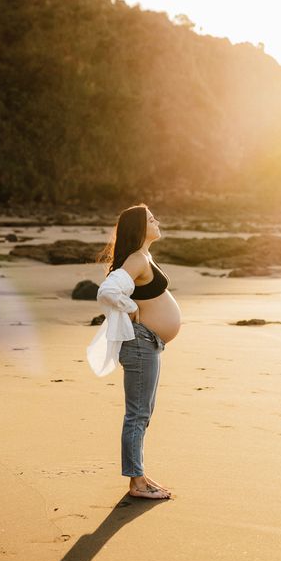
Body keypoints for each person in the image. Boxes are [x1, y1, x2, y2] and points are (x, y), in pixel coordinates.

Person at [87, 203, 181, 499]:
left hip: (148, 343)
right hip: (140, 342)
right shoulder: (137, 259)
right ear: (140, 228)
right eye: (151, 219)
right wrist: (130, 309)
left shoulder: (144, 257)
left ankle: (138, 475)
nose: (157, 222)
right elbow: (107, 291)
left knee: (143, 413)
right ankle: (137, 483)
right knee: (137, 414)